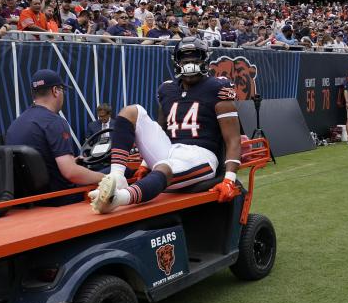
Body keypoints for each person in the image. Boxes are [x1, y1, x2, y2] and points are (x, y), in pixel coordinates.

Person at [89, 37, 241, 214]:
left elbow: (233, 140)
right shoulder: (167, 90)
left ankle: (118, 198)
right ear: (176, 62)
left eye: (195, 60)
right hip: (169, 149)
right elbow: (161, 131)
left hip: (201, 155)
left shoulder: (218, 88)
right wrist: (146, 163)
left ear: (205, 60)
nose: (190, 64)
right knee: (131, 111)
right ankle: (117, 176)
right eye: (185, 60)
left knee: (164, 168)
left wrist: (229, 178)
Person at [5, 69, 105, 205]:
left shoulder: (16, 123)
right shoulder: (54, 122)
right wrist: (105, 178)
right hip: (60, 198)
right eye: (62, 90)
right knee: (120, 172)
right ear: (55, 91)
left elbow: (37, 163)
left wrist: (71, 161)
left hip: (30, 199)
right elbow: (71, 173)